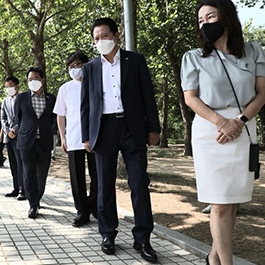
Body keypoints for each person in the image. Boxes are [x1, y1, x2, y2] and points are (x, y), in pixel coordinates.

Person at [180, 1, 265, 264]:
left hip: (243, 128)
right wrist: (221, 122)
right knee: (218, 203)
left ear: (226, 18)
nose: (205, 23)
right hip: (210, 132)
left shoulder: (253, 51)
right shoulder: (194, 57)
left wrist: (239, 121)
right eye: (200, 20)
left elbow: (262, 92)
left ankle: (213, 257)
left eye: (210, 16)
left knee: (232, 202)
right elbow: (191, 98)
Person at [80, 18, 161, 262]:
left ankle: (143, 238)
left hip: (132, 127)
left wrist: (153, 128)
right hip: (104, 129)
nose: (100, 41)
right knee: (104, 184)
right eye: (96, 38)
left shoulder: (135, 60)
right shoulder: (90, 68)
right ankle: (107, 233)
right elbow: (85, 105)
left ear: (116, 35)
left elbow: (148, 94)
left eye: (104, 36)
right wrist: (86, 136)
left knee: (138, 183)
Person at [54, 51, 98, 227]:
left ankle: (94, 205)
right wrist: (62, 137)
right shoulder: (65, 88)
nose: (76, 69)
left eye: (79, 65)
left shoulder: (95, 83)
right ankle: (82, 210)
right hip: (73, 138)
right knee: (76, 177)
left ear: (86, 65)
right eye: (72, 66)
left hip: (95, 137)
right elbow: (60, 115)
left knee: (97, 175)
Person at [10, 67, 57, 219]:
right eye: (30, 80)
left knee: (41, 173)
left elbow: (54, 118)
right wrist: (17, 130)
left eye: (35, 79)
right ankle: (33, 204)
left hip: (44, 141)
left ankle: (37, 198)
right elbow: (17, 119)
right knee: (28, 173)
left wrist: (53, 131)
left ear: (42, 79)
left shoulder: (51, 98)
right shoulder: (21, 98)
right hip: (26, 141)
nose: (32, 82)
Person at [1, 76, 26, 201]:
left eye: (10, 85)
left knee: (21, 163)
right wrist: (7, 131)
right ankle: (16, 187)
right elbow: (3, 118)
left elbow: (25, 117)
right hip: (9, 138)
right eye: (6, 86)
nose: (8, 88)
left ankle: (23, 189)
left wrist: (15, 130)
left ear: (17, 86)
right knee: (13, 164)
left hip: (20, 135)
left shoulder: (23, 99)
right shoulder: (5, 101)